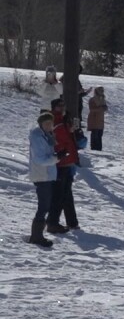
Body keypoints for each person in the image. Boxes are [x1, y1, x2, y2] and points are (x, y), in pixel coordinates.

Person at [46, 100, 80, 234]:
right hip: (60, 162)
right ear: (54, 107)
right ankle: (52, 222)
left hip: (67, 161)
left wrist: (71, 129)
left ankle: (72, 221)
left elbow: (69, 140)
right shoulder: (54, 121)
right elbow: (60, 141)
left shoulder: (64, 121)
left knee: (66, 194)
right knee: (59, 195)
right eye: (59, 106)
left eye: (63, 106)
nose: (62, 108)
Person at [27, 111, 58, 247]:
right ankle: (36, 236)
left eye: (51, 124)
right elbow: (40, 159)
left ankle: (38, 234)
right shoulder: (37, 137)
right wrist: (56, 158)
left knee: (46, 205)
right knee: (43, 206)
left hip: (47, 174)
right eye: (46, 123)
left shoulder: (47, 136)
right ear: (41, 124)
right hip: (41, 175)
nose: (49, 126)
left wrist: (57, 154)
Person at [86, 87, 108, 151]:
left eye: (102, 90)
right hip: (94, 119)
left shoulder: (103, 99)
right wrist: (101, 108)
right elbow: (92, 109)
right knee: (95, 134)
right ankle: (94, 148)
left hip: (100, 119)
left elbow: (105, 107)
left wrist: (105, 108)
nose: (102, 91)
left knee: (99, 135)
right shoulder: (92, 100)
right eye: (100, 90)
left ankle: (99, 148)